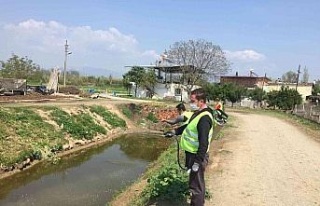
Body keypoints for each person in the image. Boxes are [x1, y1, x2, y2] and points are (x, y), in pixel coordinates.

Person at [165, 88, 214, 206]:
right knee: (194, 182)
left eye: (192, 101)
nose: (190, 103)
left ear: (201, 101)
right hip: (191, 154)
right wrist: (174, 132)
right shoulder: (198, 113)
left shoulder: (204, 118)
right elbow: (188, 126)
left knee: (197, 186)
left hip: (197, 156)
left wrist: (197, 162)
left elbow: (204, 143)